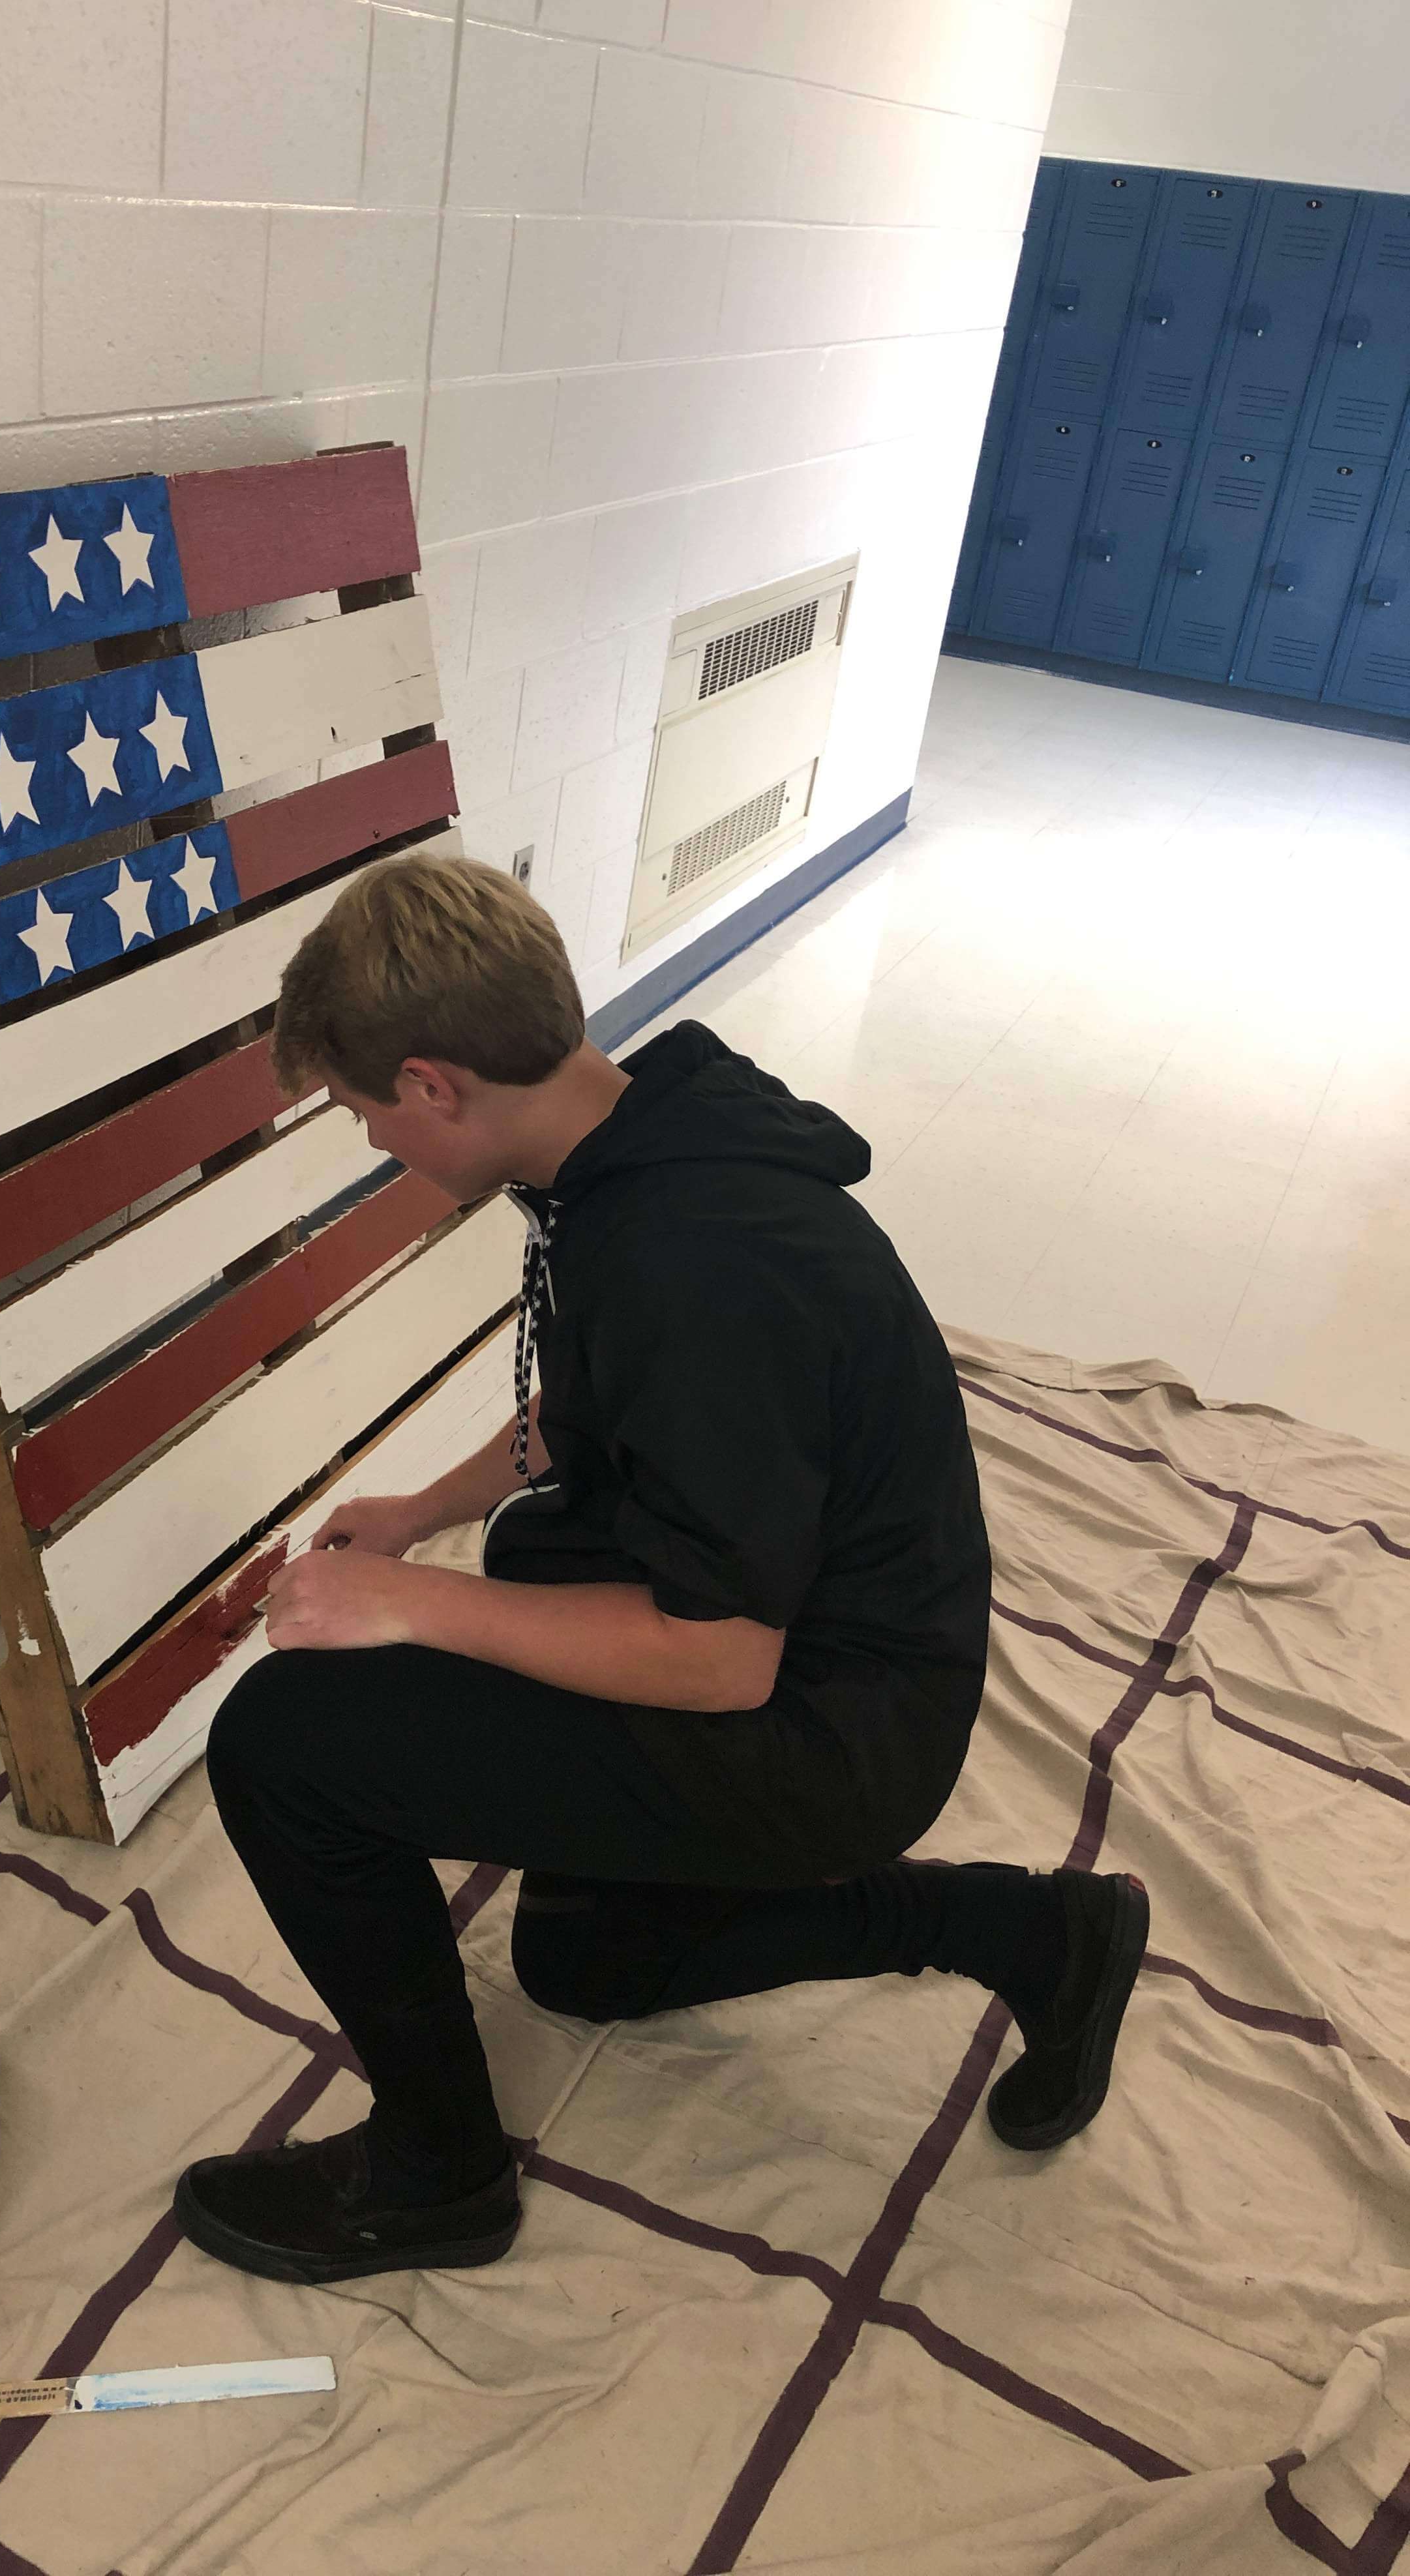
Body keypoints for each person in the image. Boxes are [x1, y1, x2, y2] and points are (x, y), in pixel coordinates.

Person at [173, 853, 1148, 2287]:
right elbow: (588, 1412)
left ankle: (437, 2173)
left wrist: (413, 1602)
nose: (377, 1145)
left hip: (831, 1723)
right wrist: (422, 1515)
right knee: (584, 1962)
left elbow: (719, 1656)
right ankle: (1038, 1932)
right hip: (812, 1636)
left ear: (437, 1085)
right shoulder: (629, 1134)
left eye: (368, 1116)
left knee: (280, 1746)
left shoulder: (699, 1263)